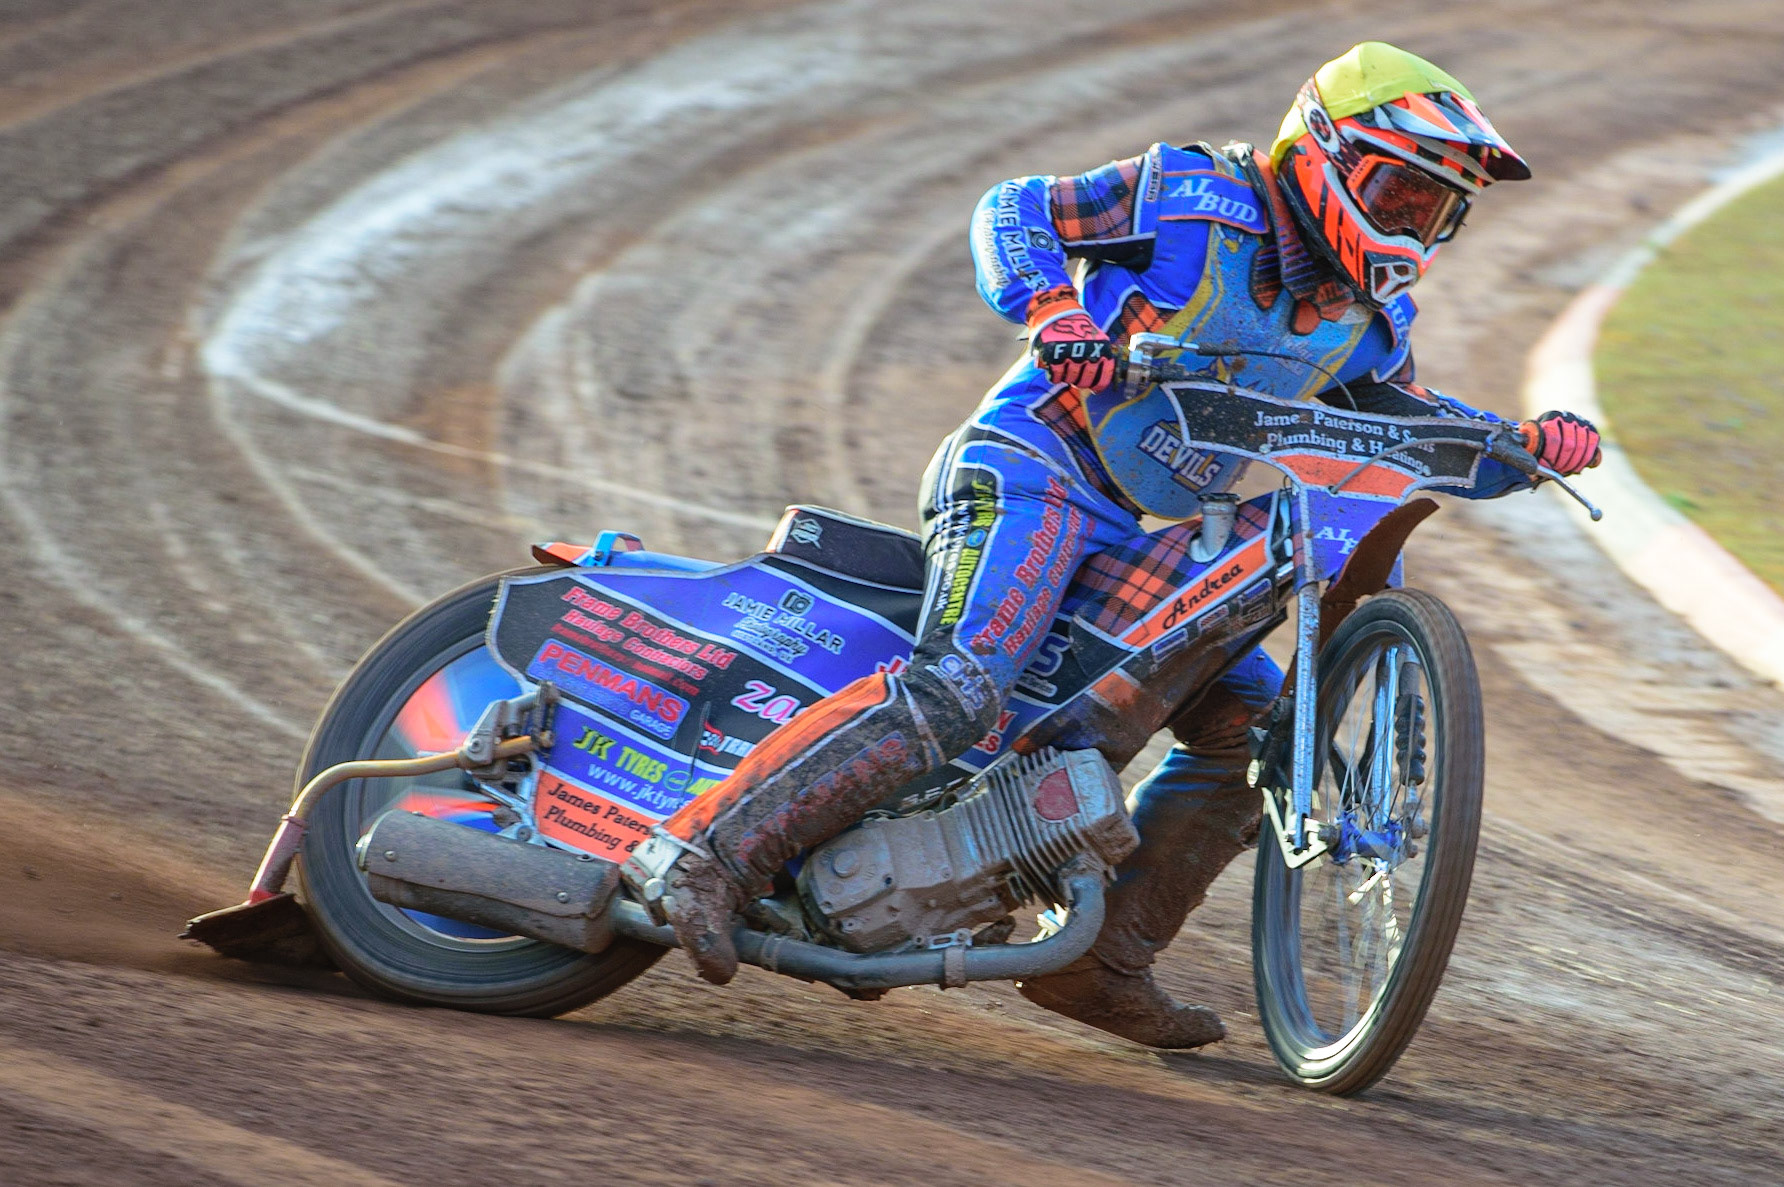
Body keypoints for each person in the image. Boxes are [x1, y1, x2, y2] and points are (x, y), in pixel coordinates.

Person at [622, 42, 1602, 1047]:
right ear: (1321, 152)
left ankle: (1100, 957)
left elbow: (1403, 431)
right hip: (1030, 464)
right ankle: (705, 855)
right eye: (1395, 193)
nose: (1407, 226)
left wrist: (1520, 444)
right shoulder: (1191, 197)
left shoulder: (1366, 324)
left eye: (1432, 211)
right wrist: (1053, 310)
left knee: (1251, 740)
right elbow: (1012, 211)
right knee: (959, 683)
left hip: (1134, 533)